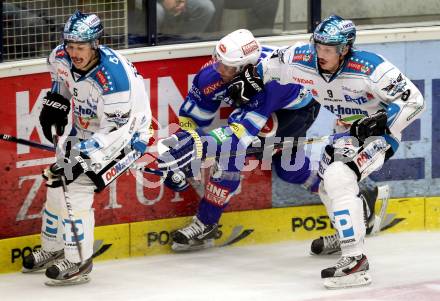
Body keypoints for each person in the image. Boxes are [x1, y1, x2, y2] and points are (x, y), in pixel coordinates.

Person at [229, 15, 425, 289]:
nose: (320, 53)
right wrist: (251, 79)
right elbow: (271, 65)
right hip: (345, 134)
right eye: (318, 46)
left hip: (378, 136)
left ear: (345, 48)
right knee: (326, 186)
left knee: (337, 176)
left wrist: (379, 121)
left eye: (328, 49)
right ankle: (349, 232)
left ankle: (355, 261)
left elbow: (414, 101)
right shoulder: (302, 57)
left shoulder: (372, 68)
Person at [156, 28, 322, 252]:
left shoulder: (272, 82)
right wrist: (182, 145)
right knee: (289, 170)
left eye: (229, 68)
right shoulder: (210, 76)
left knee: (230, 154)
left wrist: (196, 146)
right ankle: (347, 189)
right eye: (218, 61)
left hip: (295, 112)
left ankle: (206, 222)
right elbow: (190, 119)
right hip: (259, 111)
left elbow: (238, 138)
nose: (220, 70)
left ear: (248, 68)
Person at [21, 10, 152, 286]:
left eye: (80, 47)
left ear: (95, 44)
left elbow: (115, 133)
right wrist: (56, 102)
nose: (73, 52)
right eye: (70, 46)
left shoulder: (115, 79)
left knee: (76, 183)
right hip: (85, 129)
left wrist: (78, 159)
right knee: (57, 181)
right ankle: (53, 246)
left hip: (126, 137)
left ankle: (79, 260)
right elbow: (62, 84)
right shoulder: (60, 57)